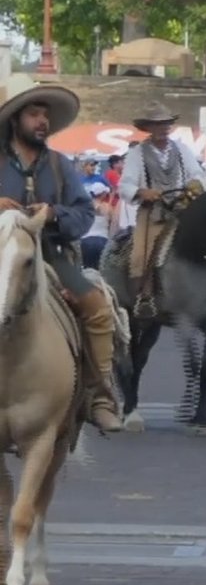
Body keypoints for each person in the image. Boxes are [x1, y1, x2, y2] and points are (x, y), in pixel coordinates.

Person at [0, 75, 124, 433]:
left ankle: (99, 395)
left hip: (51, 255)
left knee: (98, 308)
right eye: (34, 114)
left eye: (45, 115)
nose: (42, 122)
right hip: (1, 256)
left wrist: (53, 213)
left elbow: (84, 212)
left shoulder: (59, 164)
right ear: (15, 119)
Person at [118, 101, 206, 316]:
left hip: (183, 211)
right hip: (152, 214)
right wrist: (142, 192)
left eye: (166, 124)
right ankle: (144, 297)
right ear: (148, 127)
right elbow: (125, 185)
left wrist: (195, 185)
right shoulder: (137, 153)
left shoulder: (183, 149)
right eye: (157, 125)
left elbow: (198, 175)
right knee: (141, 254)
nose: (163, 129)